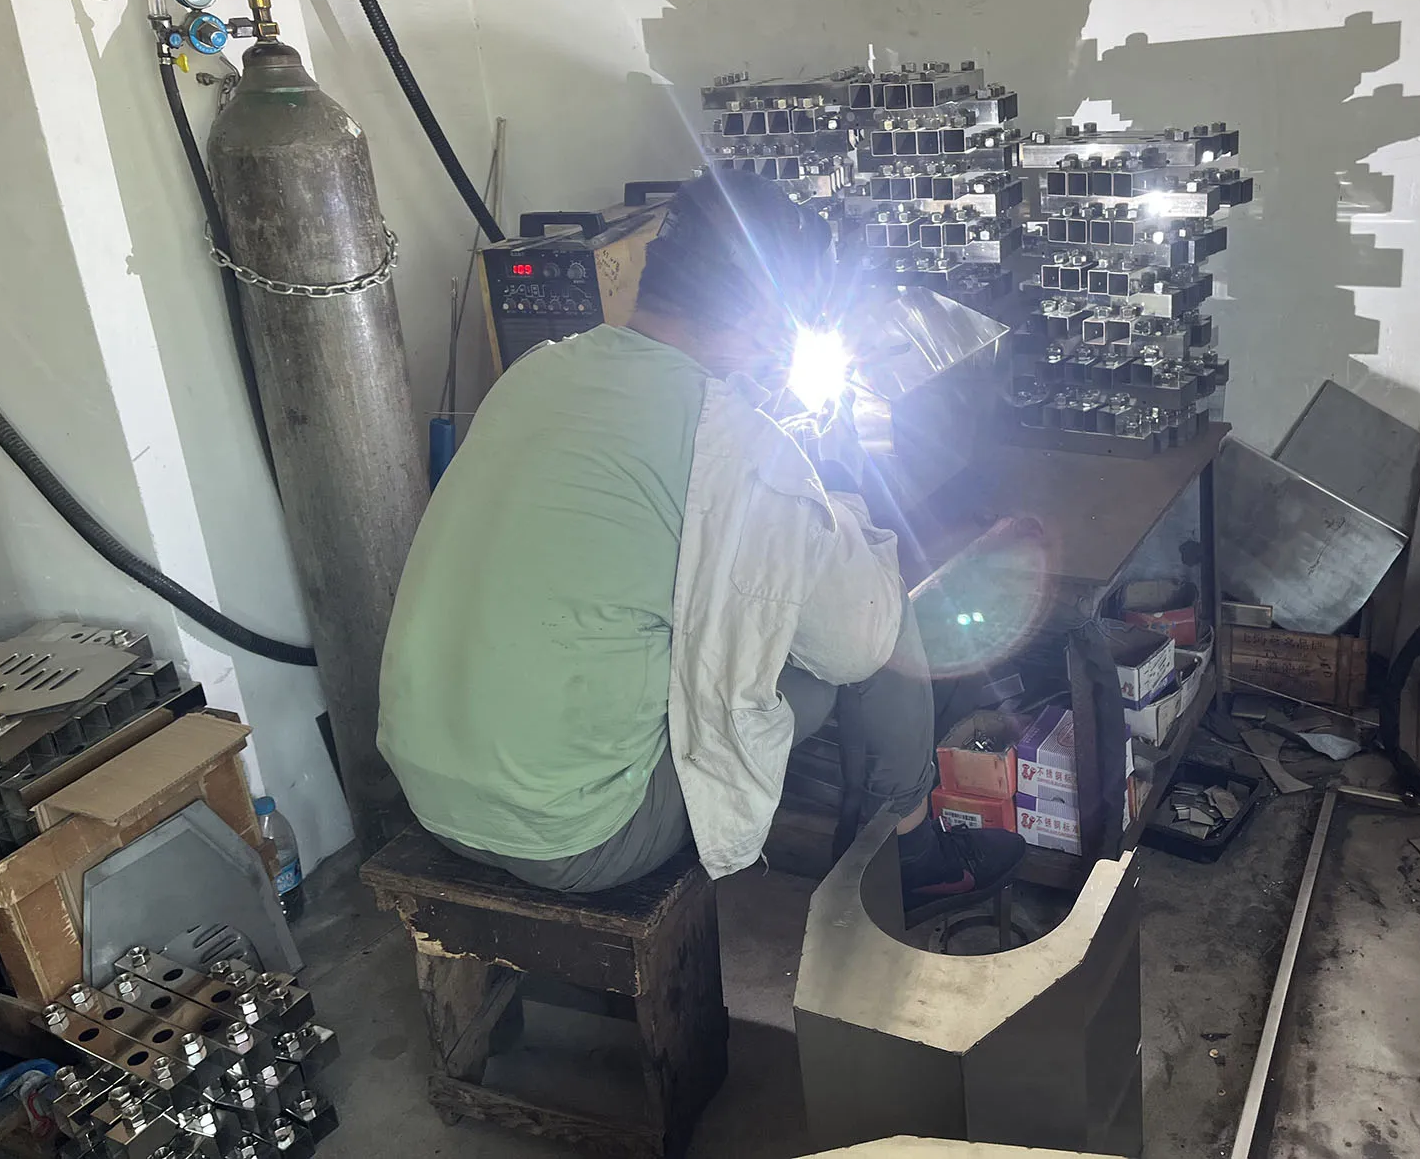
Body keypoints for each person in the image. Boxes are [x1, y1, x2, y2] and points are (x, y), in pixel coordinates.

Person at [377, 169, 1024, 917]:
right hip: (579, 832)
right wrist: (832, 505)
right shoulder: (735, 443)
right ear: (761, 314)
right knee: (874, 624)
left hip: (431, 787)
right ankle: (916, 854)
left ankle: (888, 841)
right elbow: (857, 644)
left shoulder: (535, 371)